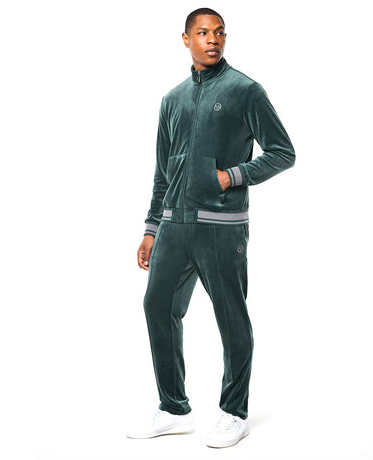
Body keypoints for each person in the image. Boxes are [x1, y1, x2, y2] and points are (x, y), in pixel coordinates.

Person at [127, 7, 295, 448]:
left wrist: (231, 176)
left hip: (221, 228)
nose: (212, 39)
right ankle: (173, 409)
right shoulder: (172, 99)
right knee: (157, 307)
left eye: (219, 32)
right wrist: (151, 227)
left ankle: (234, 412)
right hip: (173, 226)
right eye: (203, 33)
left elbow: (283, 151)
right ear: (186, 39)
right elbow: (162, 172)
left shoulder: (245, 90)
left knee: (231, 318)